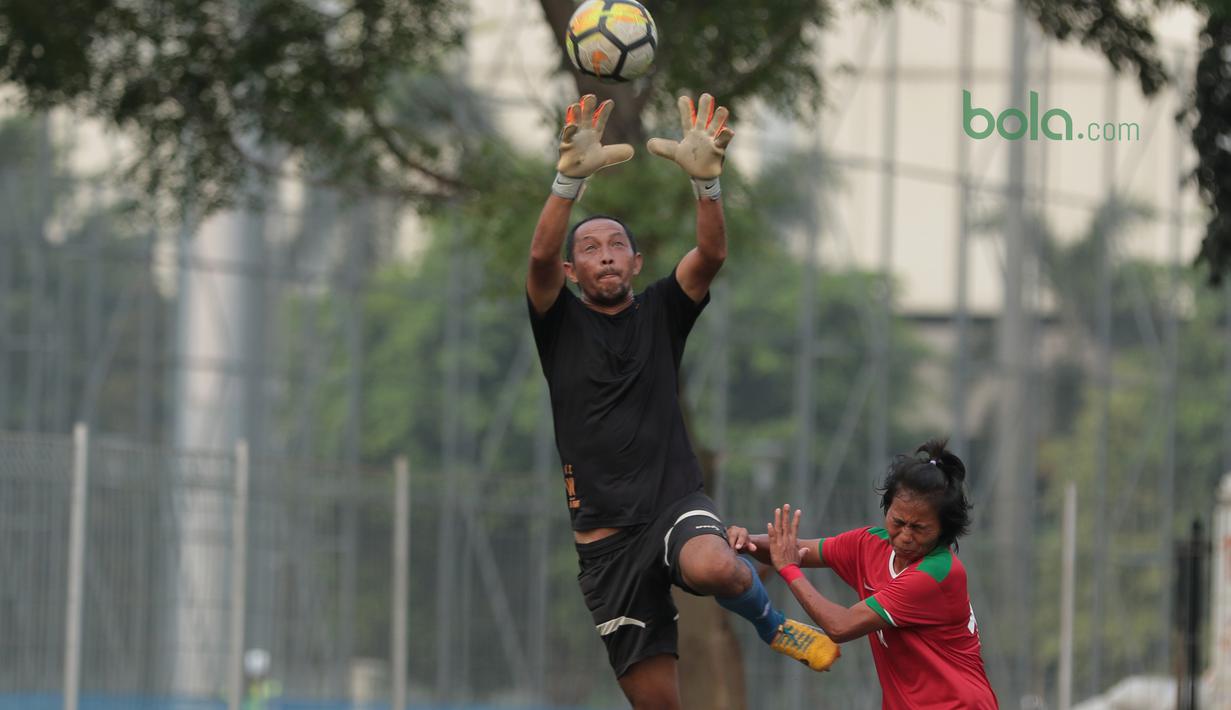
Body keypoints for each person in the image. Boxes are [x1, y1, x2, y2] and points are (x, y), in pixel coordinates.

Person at [527, 92, 839, 709]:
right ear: (572, 271)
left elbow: (712, 255)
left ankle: (773, 625)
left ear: (637, 262)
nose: (605, 253)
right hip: (606, 546)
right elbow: (538, 254)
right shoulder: (557, 322)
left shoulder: (661, 312)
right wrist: (569, 180)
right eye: (589, 248)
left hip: (674, 506)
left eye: (616, 245)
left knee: (719, 567)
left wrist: (708, 186)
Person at [728, 438, 998, 709]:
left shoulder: (937, 573)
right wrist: (743, 541)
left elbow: (840, 626)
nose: (904, 536)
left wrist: (788, 569)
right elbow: (795, 549)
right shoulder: (868, 545)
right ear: (887, 509)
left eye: (919, 528)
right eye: (898, 522)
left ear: (943, 530)